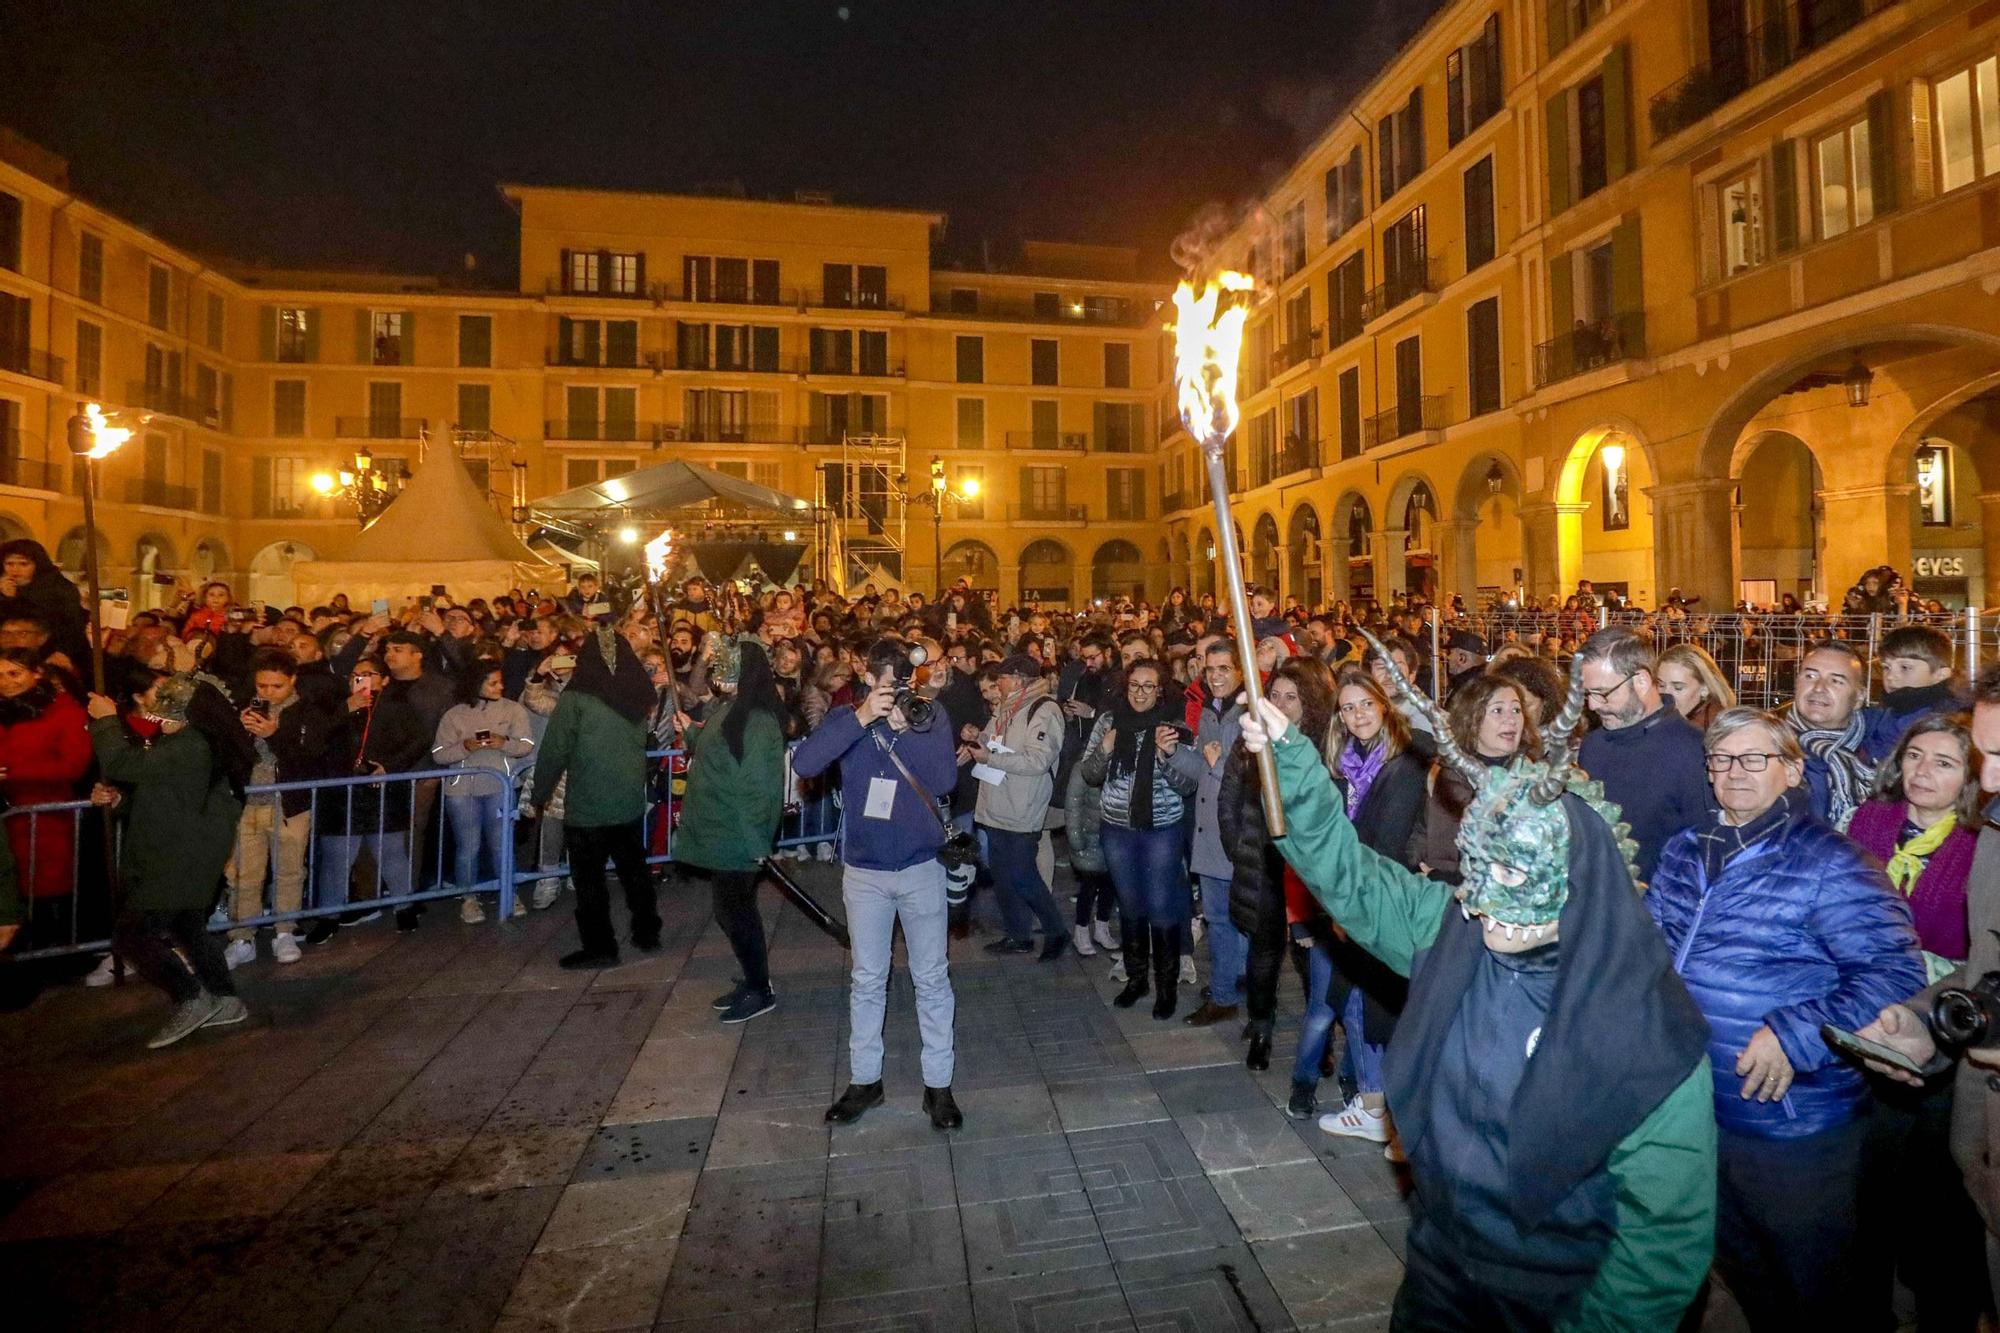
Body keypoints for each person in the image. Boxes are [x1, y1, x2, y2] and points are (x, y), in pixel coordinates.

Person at [1240, 646, 1717, 1327]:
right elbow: (1346, 871)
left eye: (1517, 874)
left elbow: (1661, 1244)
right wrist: (1286, 754)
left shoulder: (1647, 1029)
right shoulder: (1457, 926)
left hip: (1557, 1296)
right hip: (1442, 1271)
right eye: (1479, 867)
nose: (1488, 896)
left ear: (1577, 881)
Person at [1646, 707, 1925, 1328]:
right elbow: (1654, 954)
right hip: (1700, 1108)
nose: (1734, 773)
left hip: (1794, 1121)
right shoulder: (1688, 849)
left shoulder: (1831, 861)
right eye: (1720, 760)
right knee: (1748, 1277)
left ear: (1792, 770)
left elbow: (1895, 975)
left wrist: (1796, 1033)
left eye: (1753, 759)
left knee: (1817, 1289)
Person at [1843, 713, 1989, 1328]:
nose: (1923, 772)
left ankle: (1943, 1309)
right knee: (1867, 1184)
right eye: (1914, 756)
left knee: (1937, 1190)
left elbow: (1974, 950)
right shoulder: (1869, 821)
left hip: (1945, 1038)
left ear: (1971, 780)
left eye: (1945, 763)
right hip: (1863, 1020)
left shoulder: (1981, 843)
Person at [793, 638, 963, 1131]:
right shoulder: (849, 717)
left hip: (920, 866)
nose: (900, 693)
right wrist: (864, 717)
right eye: (890, 686)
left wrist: (910, 730)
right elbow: (806, 764)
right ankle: (866, 1080)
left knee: (931, 978)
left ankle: (939, 1086)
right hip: (865, 870)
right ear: (869, 680)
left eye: (906, 685)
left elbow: (945, 780)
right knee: (868, 979)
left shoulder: (929, 714)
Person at [89, 672, 254, 1049]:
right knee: (189, 927)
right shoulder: (187, 744)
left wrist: (104, 722)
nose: (150, 709)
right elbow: (166, 797)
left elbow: (124, 764)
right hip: (182, 851)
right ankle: (225, 998)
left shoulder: (190, 746)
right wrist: (120, 801)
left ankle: (191, 997)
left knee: (132, 935)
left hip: (179, 857)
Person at [1314, 665, 1430, 1143]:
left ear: (1384, 704)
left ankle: (1375, 1106)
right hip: (1356, 894)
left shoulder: (1401, 764)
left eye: (1366, 704)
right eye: (1348, 708)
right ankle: (1376, 1100)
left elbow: (1390, 842)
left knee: (1367, 1004)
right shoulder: (1350, 764)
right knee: (1359, 999)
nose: (1359, 715)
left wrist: (1356, 899)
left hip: (1380, 898)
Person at [1218, 657, 1333, 1096]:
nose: (1282, 704)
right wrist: (1239, 848)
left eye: (1293, 697)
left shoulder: (1321, 744)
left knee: (1310, 960)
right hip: (1263, 861)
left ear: (1309, 703)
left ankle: (1318, 1039)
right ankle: (1261, 1027)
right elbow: (1228, 800)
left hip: (1305, 867)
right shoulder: (1251, 740)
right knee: (1263, 953)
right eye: (1277, 695)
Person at [530, 627, 660, 969]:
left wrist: (540, 793)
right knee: (634, 870)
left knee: (589, 880)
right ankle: (647, 930)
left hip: (588, 802)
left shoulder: (577, 698)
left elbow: (555, 749)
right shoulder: (636, 693)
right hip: (627, 797)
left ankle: (601, 945)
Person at [673, 638, 787, 1024]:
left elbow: (758, 785)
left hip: (738, 834)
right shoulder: (730, 709)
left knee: (736, 913)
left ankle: (761, 988)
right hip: (722, 830)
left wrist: (757, 841)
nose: (720, 673)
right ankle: (754, 980)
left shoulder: (759, 720)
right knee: (730, 912)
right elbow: (717, 751)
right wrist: (690, 732)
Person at [1081, 659, 1195, 1018]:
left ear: (1160, 690)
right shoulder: (1108, 722)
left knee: (1161, 907)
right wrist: (1105, 750)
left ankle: (1166, 988)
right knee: (1130, 906)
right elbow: (1089, 774)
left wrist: (1167, 756)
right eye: (1134, 686)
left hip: (1161, 828)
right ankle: (1136, 980)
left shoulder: (1173, 727)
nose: (1140, 693)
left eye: (1148, 686)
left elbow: (1188, 785)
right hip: (1117, 828)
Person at [306, 653, 431, 945]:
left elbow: (419, 741)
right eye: (356, 675)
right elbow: (314, 741)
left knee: (391, 854)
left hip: (382, 791)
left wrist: (389, 765)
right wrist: (344, 711)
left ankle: (404, 908)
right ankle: (329, 917)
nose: (361, 679)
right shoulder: (333, 708)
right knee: (337, 859)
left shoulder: (399, 708)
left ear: (384, 680)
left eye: (369, 674)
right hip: (340, 794)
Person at [226, 651, 339, 965]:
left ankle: (285, 931)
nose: (267, 692)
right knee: (243, 874)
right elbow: (230, 755)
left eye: (276, 686)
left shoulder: (309, 713)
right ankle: (242, 937)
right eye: (261, 685)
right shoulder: (244, 708)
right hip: (247, 802)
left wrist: (275, 736)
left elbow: (310, 758)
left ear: (292, 680)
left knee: (289, 871)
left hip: (288, 803)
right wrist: (242, 732)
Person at [1576, 626, 1711, 883]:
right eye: (1587, 695)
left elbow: (1704, 851)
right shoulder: (1593, 746)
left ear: (1641, 681)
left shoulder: (1695, 751)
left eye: (1602, 693)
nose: (1593, 706)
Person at [1167, 639, 1246, 1026]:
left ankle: (1227, 993)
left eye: (1223, 669)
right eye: (1209, 669)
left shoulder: (1248, 714)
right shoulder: (1213, 712)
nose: (1215, 677)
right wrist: (1171, 755)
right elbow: (1203, 767)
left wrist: (1215, 764)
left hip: (1237, 833)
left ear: (1240, 670)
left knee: (1230, 918)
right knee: (1222, 917)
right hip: (1211, 830)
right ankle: (1230, 982)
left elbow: (1244, 777)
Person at [973, 652, 1067, 958]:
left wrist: (991, 758)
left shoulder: (1044, 710)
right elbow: (993, 737)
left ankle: (1056, 931)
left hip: (1022, 805)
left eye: (1000, 678)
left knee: (1023, 876)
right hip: (997, 802)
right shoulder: (1007, 707)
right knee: (1002, 876)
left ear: (1016, 679)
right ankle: (1018, 935)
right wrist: (978, 738)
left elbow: (1038, 760)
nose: (996, 684)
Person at [431, 662, 536, 924]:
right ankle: (468, 898)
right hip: (462, 789)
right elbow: (438, 753)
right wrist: (465, 747)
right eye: (493, 682)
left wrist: (504, 744)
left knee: (502, 843)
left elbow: (526, 745)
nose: (500, 686)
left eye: (500, 682)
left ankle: (509, 892)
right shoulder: (454, 714)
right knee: (468, 846)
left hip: (499, 786)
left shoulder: (513, 710)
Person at [0, 649, 90, 928]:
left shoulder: (64, 711)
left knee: (44, 892)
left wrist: (12, 774)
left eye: (14, 673)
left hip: (47, 820)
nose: (5, 682)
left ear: (37, 673)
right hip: (10, 816)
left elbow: (73, 765)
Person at [1784, 640, 1875, 830]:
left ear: (1859, 697)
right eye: (1810, 676)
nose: (1818, 687)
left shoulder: (1880, 748)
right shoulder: (1769, 748)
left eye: (1836, 681)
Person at [1861, 624, 1963, 759]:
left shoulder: (1939, 722)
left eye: (1905, 667)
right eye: (1886, 667)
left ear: (1940, 675)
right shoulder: (1892, 709)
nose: (1890, 676)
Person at [0, 539, 89, 672]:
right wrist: (6, 598)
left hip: (55, 652)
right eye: (9, 564)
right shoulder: (4, 588)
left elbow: (73, 623)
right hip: (11, 654)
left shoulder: (59, 587)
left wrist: (63, 651)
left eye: (23, 564)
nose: (15, 569)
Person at [1655, 642, 1736, 733]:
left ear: (1705, 688)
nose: (1666, 694)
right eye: (1660, 685)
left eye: (1678, 688)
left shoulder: (1712, 733)